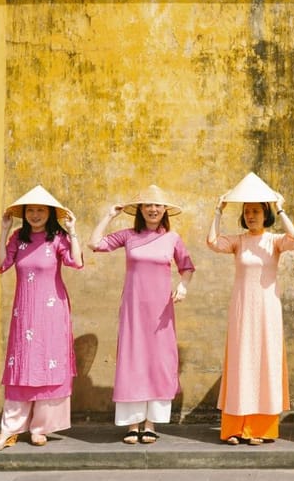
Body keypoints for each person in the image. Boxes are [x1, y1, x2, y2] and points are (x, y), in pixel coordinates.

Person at [87, 185, 195, 445]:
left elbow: (187, 266)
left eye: (158, 205)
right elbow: (94, 244)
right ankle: (132, 424)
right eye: (148, 205)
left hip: (160, 312)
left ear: (164, 210)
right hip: (133, 308)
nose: (153, 209)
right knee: (133, 359)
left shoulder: (172, 238)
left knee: (158, 361)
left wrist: (183, 286)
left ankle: (150, 423)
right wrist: (109, 215)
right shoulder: (128, 236)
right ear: (141, 210)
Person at [0, 185, 84, 452]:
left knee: (49, 361)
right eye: (31, 210)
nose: (35, 214)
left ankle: (41, 427)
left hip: (53, 312)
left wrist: (73, 232)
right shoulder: (19, 238)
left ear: (50, 213)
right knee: (23, 362)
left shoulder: (58, 238)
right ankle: (10, 428)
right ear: (24, 213)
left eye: (41, 210)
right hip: (25, 312)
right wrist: (4, 230)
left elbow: (77, 262)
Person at [207, 172, 294, 445]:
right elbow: (212, 242)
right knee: (241, 363)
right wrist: (218, 211)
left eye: (256, 211)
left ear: (265, 214)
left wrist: (281, 208)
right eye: (247, 212)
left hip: (268, 310)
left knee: (265, 364)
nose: (251, 216)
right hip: (242, 309)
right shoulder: (238, 240)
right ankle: (235, 427)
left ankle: (260, 428)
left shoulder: (274, 241)